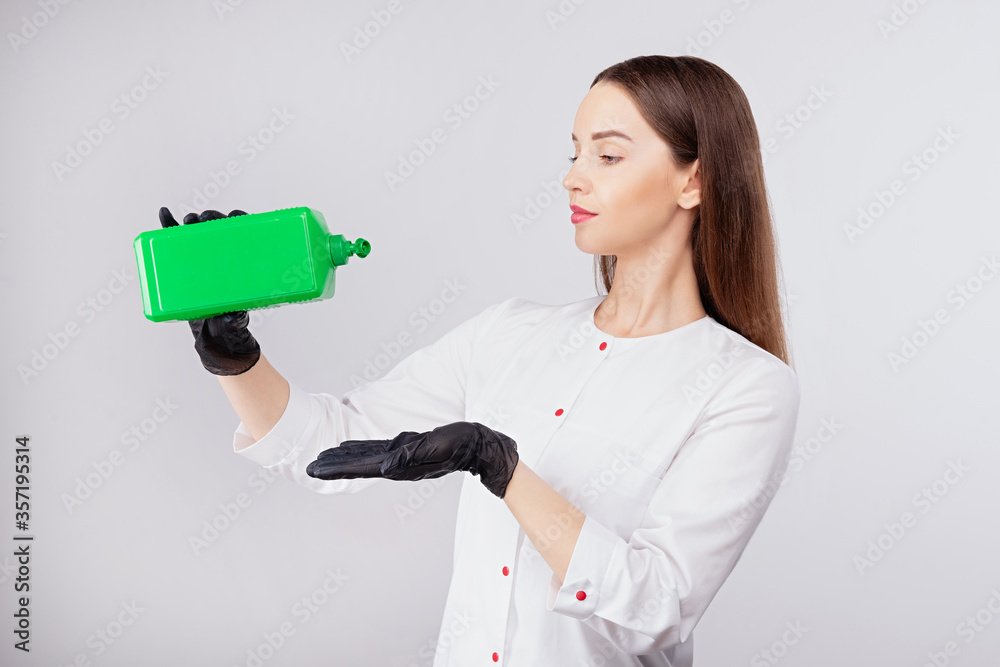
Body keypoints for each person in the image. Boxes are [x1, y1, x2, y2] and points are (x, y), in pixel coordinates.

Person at [161, 54, 800, 666]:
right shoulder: (508, 334)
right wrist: (235, 358)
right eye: (574, 152)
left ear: (695, 180)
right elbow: (327, 447)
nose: (573, 176)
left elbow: (655, 607)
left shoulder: (747, 388)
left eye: (607, 155)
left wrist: (498, 465)